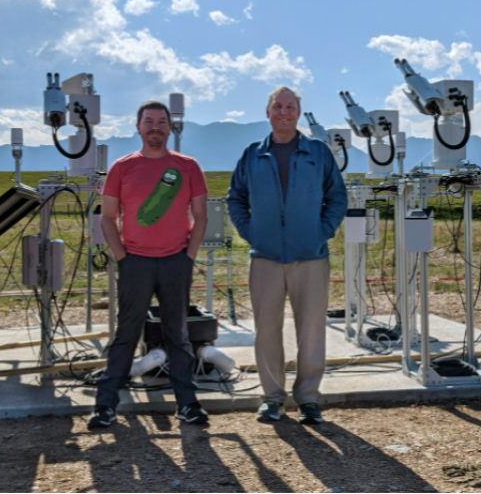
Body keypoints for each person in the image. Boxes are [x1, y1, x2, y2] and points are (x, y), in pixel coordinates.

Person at [226, 86, 347, 424]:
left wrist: (320, 231)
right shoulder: (253, 154)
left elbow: (337, 197)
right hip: (264, 256)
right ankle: (272, 398)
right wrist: (252, 232)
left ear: (298, 112)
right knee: (267, 329)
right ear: (267, 112)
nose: (283, 112)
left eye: (290, 106)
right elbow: (235, 198)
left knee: (311, 330)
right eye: (277, 106)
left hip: (310, 256)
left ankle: (308, 398)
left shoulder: (317, 152)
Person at [89, 100, 210, 429]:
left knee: (178, 335)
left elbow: (200, 216)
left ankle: (187, 403)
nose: (155, 127)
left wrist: (189, 257)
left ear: (170, 127)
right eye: (149, 121)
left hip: (175, 261)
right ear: (138, 127)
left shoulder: (187, 166)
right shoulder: (122, 167)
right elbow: (109, 218)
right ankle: (105, 405)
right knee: (126, 333)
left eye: (161, 122)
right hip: (136, 263)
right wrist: (123, 259)